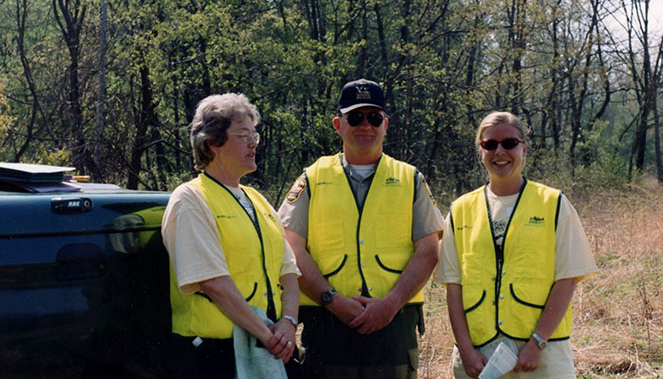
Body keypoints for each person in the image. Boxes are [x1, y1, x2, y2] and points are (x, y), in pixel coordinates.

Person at [278, 79, 444, 379]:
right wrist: (332, 300)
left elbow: (429, 251)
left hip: (394, 326)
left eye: (374, 117)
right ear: (338, 124)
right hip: (327, 325)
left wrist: (390, 304)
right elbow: (290, 247)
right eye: (355, 117)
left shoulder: (411, 179)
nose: (365, 125)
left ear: (385, 124)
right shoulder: (313, 178)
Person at [435, 111, 596, 379]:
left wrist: (538, 342)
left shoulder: (554, 204)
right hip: (478, 358)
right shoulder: (460, 209)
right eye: (490, 144)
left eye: (509, 143)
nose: (500, 151)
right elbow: (454, 286)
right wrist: (466, 351)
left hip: (542, 356)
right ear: (481, 150)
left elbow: (567, 279)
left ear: (524, 148)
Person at [162, 93, 301, 378]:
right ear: (213, 143)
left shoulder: (257, 200)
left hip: (267, 347)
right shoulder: (190, 199)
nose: (253, 144)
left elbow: (288, 271)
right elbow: (213, 282)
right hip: (214, 355)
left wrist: (288, 324)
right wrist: (268, 335)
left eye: (255, 136)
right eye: (243, 136)